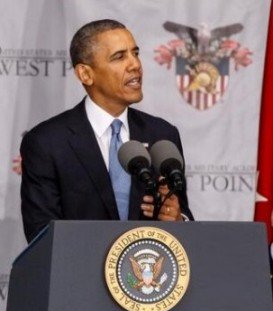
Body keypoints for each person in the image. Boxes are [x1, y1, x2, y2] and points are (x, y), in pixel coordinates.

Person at [20, 19, 193, 243]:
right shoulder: (47, 142)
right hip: (77, 275)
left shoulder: (162, 134)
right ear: (85, 74)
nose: (135, 65)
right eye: (119, 57)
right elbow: (40, 235)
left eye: (135, 53)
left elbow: (183, 217)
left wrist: (178, 220)